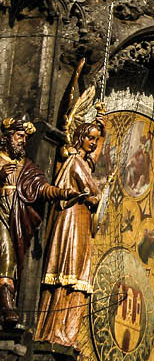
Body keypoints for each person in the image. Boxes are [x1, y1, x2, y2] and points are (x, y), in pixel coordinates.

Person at [0, 115, 79, 324]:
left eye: (25, 138)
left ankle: (8, 303)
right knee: (6, 257)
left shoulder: (27, 167)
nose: (22, 141)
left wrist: (63, 193)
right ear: (7, 137)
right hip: (0, 216)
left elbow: (42, 189)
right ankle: (7, 306)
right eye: (19, 136)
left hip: (15, 219)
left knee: (13, 262)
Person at [34, 109, 103, 347]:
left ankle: (68, 333)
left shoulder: (84, 163)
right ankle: (53, 330)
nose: (93, 143)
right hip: (71, 219)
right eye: (89, 137)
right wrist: (90, 197)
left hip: (82, 222)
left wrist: (101, 127)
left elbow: (94, 164)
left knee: (80, 279)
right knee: (66, 273)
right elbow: (65, 190)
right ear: (79, 136)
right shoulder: (73, 161)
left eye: (95, 139)